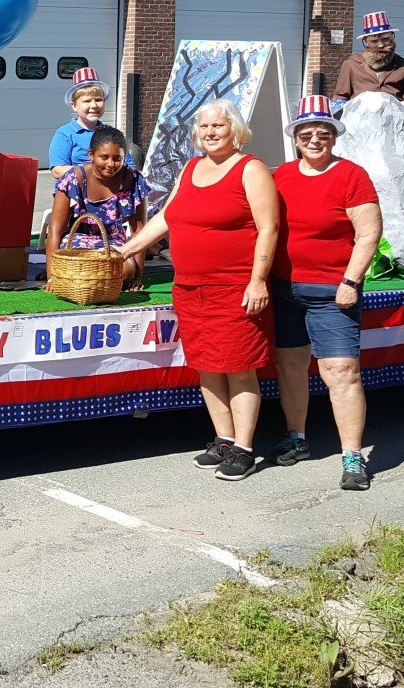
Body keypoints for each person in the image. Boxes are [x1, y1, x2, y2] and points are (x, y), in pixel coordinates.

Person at [114, 100, 279, 481]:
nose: (210, 133)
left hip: (235, 288)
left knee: (239, 369)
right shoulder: (191, 168)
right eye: (204, 127)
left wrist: (258, 280)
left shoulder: (251, 170)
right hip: (190, 288)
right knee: (207, 366)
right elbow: (167, 217)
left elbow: (268, 229)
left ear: (234, 130)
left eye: (218, 126)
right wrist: (125, 249)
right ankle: (223, 438)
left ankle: (244, 448)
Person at [269, 95, 383, 492]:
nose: (315, 140)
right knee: (290, 367)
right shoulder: (279, 176)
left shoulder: (352, 175)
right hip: (284, 290)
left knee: (341, 373)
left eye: (323, 133)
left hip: (333, 292)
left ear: (334, 136)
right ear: (296, 138)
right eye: (307, 134)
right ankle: (296, 437)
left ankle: (352, 455)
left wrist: (351, 281)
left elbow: (369, 233)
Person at [44, 124, 149, 290]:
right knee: (82, 269)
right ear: (91, 155)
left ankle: (85, 284)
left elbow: (139, 232)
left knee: (125, 270)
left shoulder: (134, 180)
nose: (110, 164)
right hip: (76, 242)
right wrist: (52, 277)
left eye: (117, 158)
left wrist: (137, 276)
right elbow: (55, 230)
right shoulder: (74, 178)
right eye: (104, 157)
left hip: (113, 244)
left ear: (124, 157)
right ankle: (87, 283)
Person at [332, 11, 404, 102]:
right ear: (365, 41)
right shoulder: (351, 64)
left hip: (394, 114)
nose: (381, 45)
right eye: (374, 41)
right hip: (360, 114)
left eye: (386, 39)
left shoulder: (402, 65)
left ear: (392, 36)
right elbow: (340, 98)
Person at [48, 66, 111, 178]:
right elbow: (57, 170)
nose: (94, 105)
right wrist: (93, 172)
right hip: (75, 193)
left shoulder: (111, 134)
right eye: (87, 101)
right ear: (74, 106)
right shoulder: (65, 134)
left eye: (98, 100)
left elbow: (129, 165)